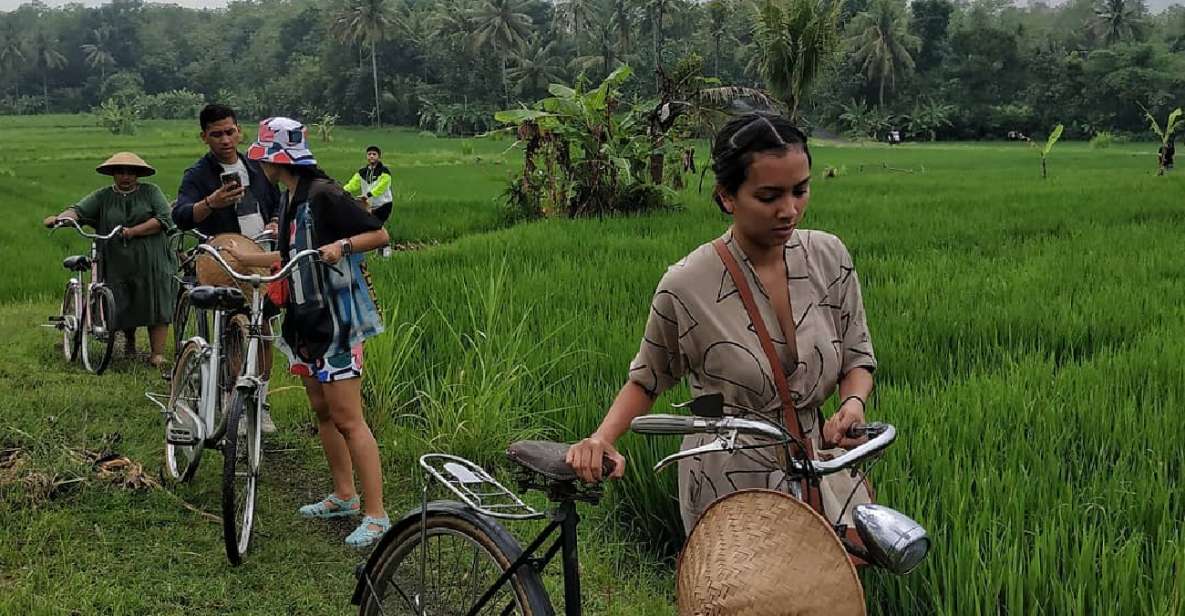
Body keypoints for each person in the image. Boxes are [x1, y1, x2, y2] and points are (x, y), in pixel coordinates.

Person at [565, 113, 878, 534]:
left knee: (823, 595)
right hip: (729, 481)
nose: (790, 210)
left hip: (818, 471)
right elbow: (647, 378)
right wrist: (602, 438)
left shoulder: (828, 256)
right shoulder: (688, 284)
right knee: (742, 600)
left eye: (800, 191)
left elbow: (857, 355)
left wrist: (851, 406)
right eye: (769, 196)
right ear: (727, 197)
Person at [224, 117, 390, 547]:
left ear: (279, 160)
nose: (260, 164)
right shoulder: (289, 197)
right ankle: (343, 495)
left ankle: (376, 513)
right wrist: (236, 257)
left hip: (337, 320)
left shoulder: (325, 194)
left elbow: (379, 233)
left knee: (349, 418)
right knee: (322, 410)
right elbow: (283, 256)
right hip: (304, 317)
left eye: (264, 156)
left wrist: (343, 246)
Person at [174, 103, 282, 433]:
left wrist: (277, 221)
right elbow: (181, 215)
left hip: (262, 259)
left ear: (240, 131)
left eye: (230, 131)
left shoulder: (257, 168)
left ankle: (259, 401)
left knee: (263, 328)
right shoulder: (197, 175)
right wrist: (212, 203)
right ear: (204, 137)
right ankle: (228, 396)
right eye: (216, 134)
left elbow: (277, 202)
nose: (224, 139)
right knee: (229, 332)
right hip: (223, 262)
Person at [42, 153, 178, 368]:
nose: (126, 176)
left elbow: (164, 218)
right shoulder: (104, 196)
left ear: (138, 174)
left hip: (152, 259)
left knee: (156, 302)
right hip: (116, 258)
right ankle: (129, 343)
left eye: (131, 172)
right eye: (120, 172)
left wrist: (133, 231)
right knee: (122, 298)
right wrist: (61, 219)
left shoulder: (151, 192)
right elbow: (78, 210)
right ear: (113, 174)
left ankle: (157, 353)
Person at [343, 146, 394, 257]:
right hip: (370, 205)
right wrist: (341, 191)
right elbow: (353, 184)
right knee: (373, 227)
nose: (371, 156)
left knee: (377, 225)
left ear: (379, 157)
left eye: (374, 154)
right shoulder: (362, 172)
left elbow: (382, 186)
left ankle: (385, 249)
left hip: (384, 204)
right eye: (369, 154)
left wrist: (368, 195)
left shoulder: (385, 172)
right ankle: (380, 248)